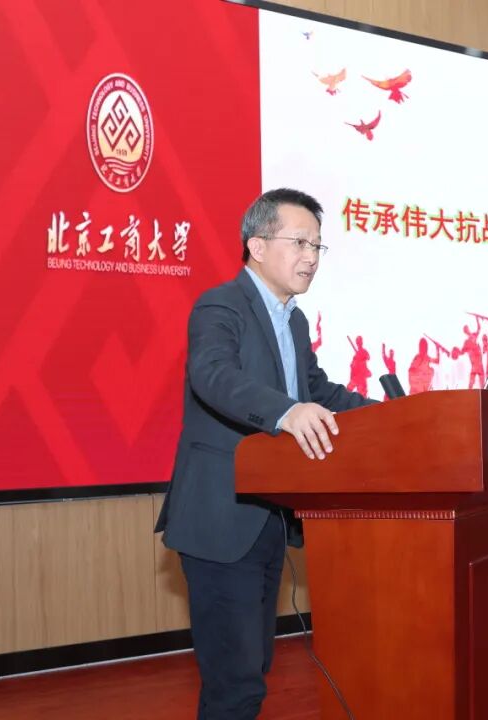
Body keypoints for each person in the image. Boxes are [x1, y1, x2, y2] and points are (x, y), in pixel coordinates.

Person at [155, 188, 373, 720]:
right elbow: (213, 377)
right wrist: (286, 412)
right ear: (256, 246)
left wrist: (390, 412)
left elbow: (316, 391)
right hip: (220, 519)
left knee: (252, 670)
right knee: (235, 683)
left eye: (317, 246)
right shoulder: (220, 305)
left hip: (268, 519)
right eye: (300, 242)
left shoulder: (293, 321)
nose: (311, 257)